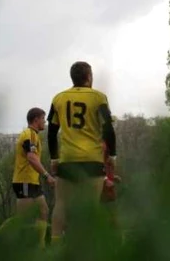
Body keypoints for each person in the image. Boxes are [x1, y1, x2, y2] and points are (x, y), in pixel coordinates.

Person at [47, 61, 117, 243]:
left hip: (68, 158)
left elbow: (52, 131)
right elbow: (108, 128)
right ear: (89, 77)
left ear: (72, 77)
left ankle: (55, 244)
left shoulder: (58, 98)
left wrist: (54, 158)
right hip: (92, 160)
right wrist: (113, 155)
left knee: (61, 203)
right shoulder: (98, 97)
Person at [6, 107, 55, 247]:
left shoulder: (34, 135)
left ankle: (40, 247)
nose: (44, 122)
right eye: (43, 119)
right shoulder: (29, 134)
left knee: (44, 211)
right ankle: (3, 240)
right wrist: (47, 175)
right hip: (24, 182)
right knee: (22, 219)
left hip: (32, 182)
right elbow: (32, 158)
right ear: (36, 120)